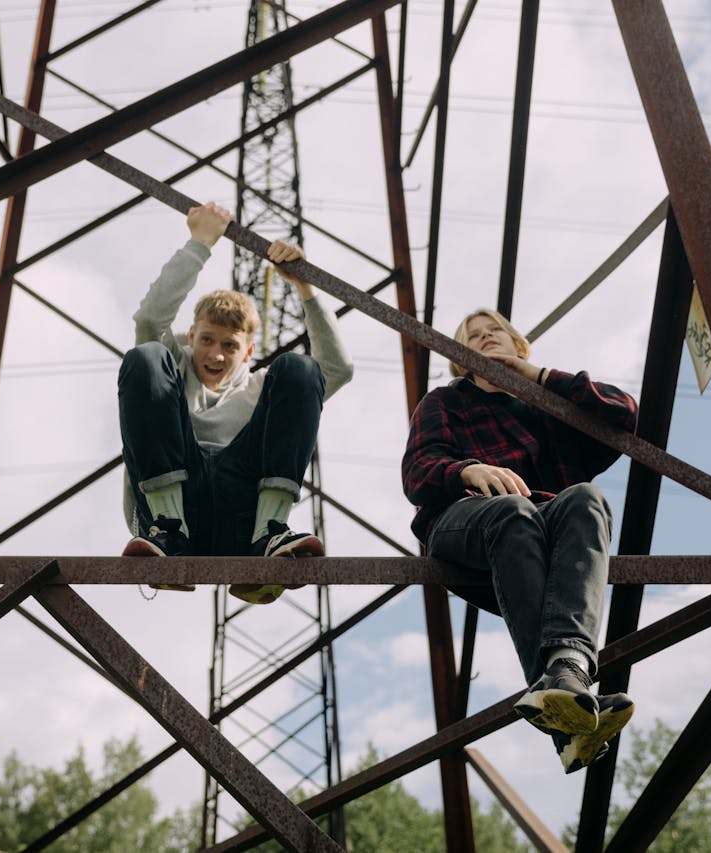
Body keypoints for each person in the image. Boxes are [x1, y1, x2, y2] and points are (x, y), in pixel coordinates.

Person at [401, 308, 638, 773]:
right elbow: (417, 474)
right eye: (473, 336)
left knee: (588, 498)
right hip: (462, 522)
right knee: (513, 511)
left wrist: (537, 376)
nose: (485, 338)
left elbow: (624, 413)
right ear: (460, 358)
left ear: (519, 345)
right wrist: (467, 469)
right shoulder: (444, 402)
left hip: (544, 539)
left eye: (496, 332)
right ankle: (565, 690)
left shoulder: (547, 404)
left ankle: (566, 683)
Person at [118, 203, 353, 604]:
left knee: (300, 368)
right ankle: (167, 529)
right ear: (191, 336)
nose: (216, 355)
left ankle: (270, 531)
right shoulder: (173, 362)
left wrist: (305, 287)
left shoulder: (260, 388)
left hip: (242, 514)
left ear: (248, 353)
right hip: (175, 504)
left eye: (230, 346)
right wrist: (200, 241)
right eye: (208, 340)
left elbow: (336, 368)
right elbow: (149, 320)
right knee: (143, 357)